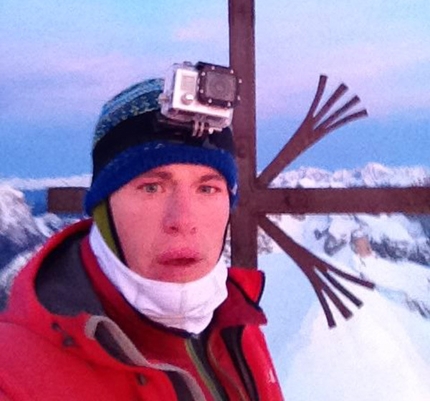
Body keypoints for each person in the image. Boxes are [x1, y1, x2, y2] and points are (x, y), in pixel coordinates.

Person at [0, 75, 284, 400]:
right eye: (152, 187)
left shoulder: (239, 326)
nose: (183, 220)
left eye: (208, 188)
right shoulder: (14, 377)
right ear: (104, 210)